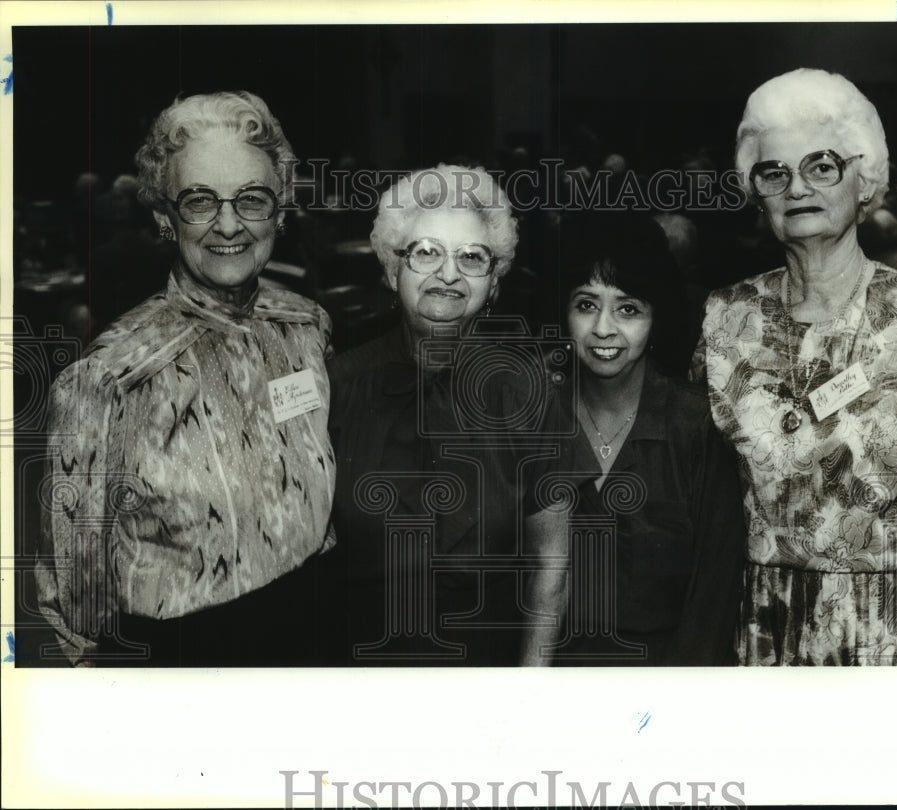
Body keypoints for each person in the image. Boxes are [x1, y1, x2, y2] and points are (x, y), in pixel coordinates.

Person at [691, 68, 897, 665]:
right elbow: (708, 492)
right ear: (757, 192)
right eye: (775, 173)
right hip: (768, 621)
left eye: (821, 166)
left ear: (865, 179)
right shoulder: (725, 319)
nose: (797, 187)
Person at [35, 91, 336, 666]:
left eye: (252, 198)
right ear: (163, 215)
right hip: (186, 658)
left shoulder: (308, 326)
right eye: (199, 200)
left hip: (315, 631)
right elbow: (78, 603)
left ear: (280, 208)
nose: (229, 225)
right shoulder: (107, 380)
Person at [326, 164, 534, 665]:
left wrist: (534, 685)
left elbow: (555, 560)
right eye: (425, 253)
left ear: (495, 280)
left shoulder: (531, 394)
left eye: (471, 257)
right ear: (389, 268)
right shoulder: (334, 389)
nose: (448, 274)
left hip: (491, 673)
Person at [521, 214, 745, 666]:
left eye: (628, 309)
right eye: (586, 305)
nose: (604, 329)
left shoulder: (696, 425)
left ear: (656, 315)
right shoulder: (534, 417)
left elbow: (714, 598)